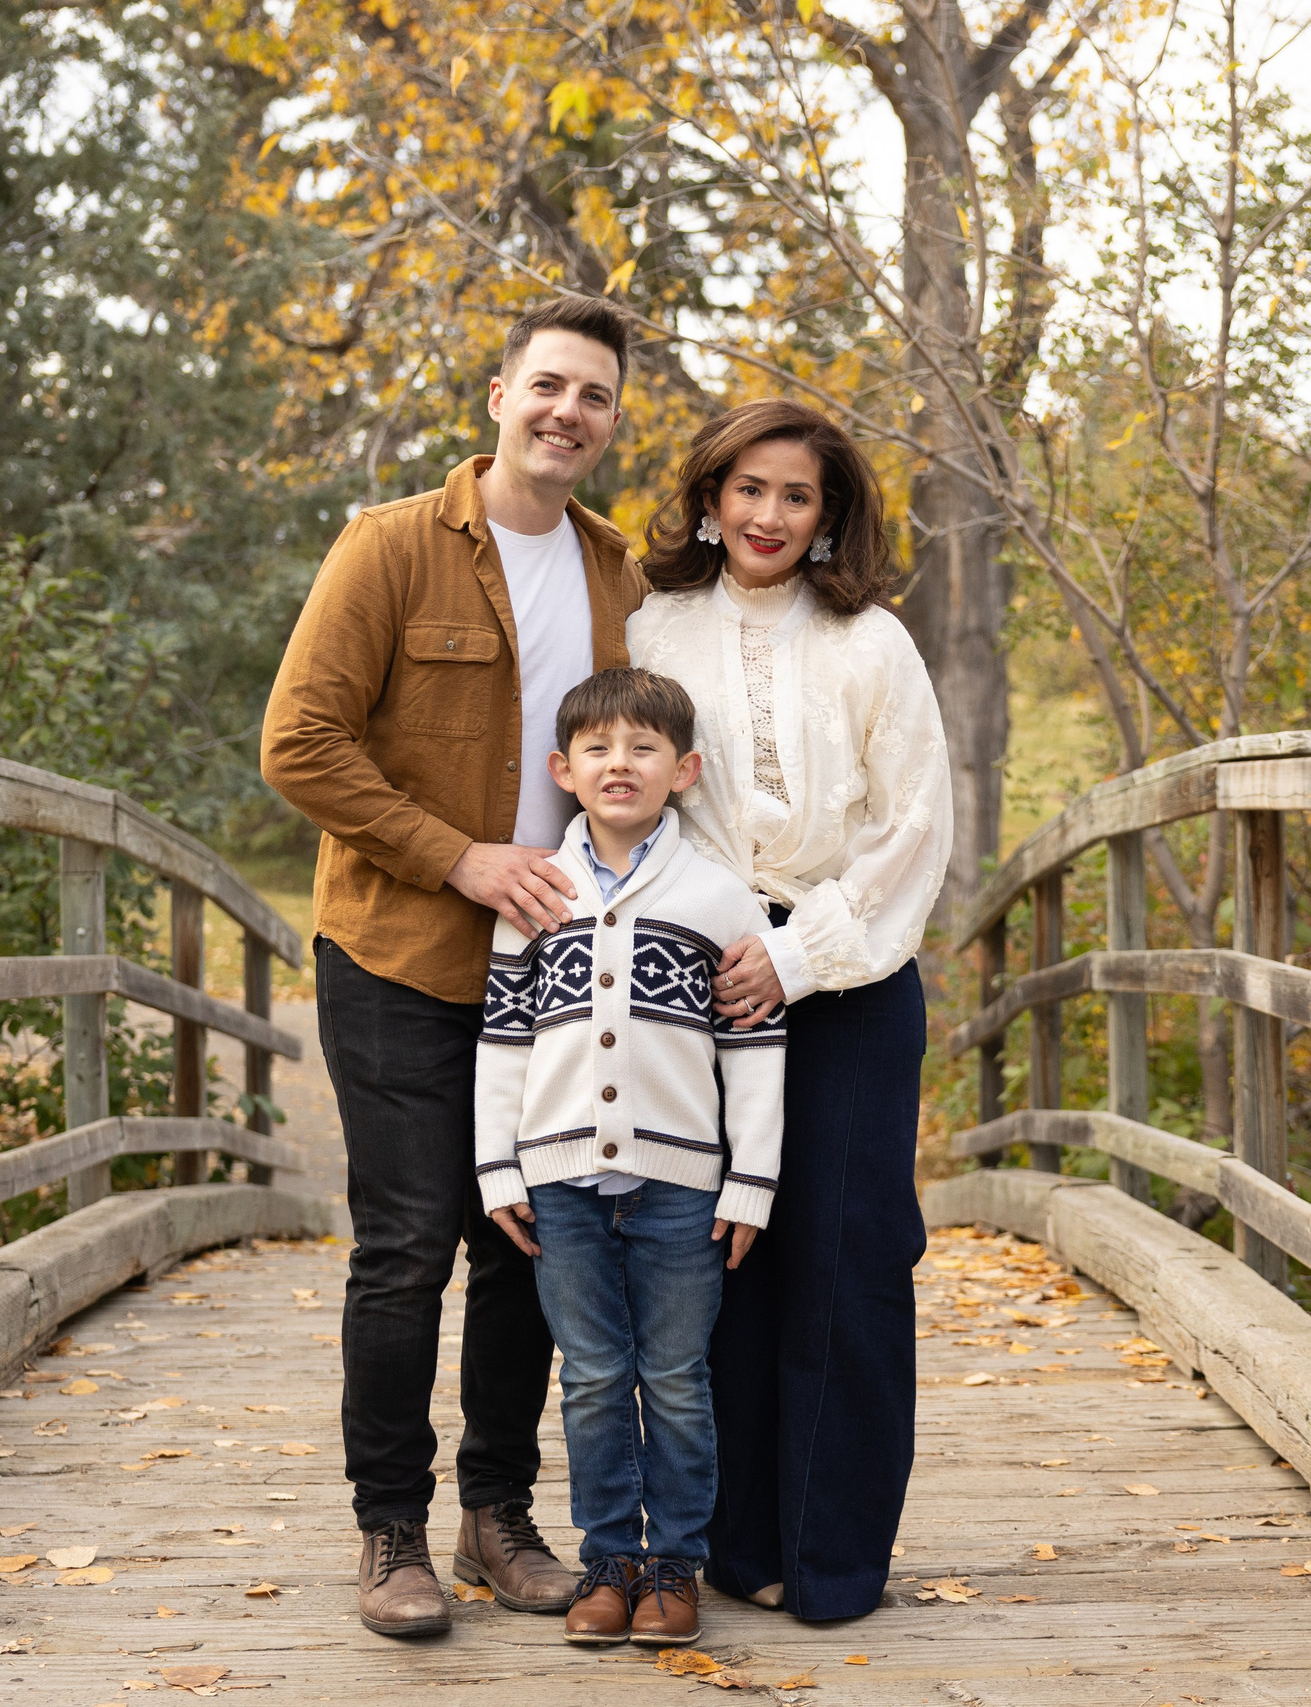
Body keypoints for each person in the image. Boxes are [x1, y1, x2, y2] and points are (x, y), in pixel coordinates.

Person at [259, 296, 647, 1639]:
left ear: (610, 420)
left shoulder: (617, 575)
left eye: (594, 396)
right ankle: (389, 1529)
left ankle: (496, 1513)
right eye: (548, 386)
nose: (567, 413)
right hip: (400, 953)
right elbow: (299, 745)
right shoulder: (389, 549)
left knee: (526, 1245)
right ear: (498, 394)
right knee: (410, 1242)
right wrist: (461, 857)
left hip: (554, 975)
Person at [624, 399, 952, 1622]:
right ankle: (735, 1542)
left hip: (849, 978)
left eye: (795, 496)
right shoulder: (652, 625)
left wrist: (799, 955)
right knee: (723, 1259)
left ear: (827, 517)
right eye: (747, 489)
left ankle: (833, 1559)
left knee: (850, 1257)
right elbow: (624, 779)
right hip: (693, 980)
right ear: (709, 498)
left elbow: (913, 826)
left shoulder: (873, 641)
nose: (767, 515)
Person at [473, 667, 785, 1650]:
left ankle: (674, 1570)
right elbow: (504, 1039)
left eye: (644, 748)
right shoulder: (537, 893)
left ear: (683, 770)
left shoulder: (719, 897)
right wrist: (496, 1167)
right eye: (599, 749)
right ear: (563, 770)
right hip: (560, 1181)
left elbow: (753, 1045)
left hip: (684, 1187)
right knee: (596, 1376)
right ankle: (608, 1563)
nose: (622, 764)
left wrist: (750, 1181)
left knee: (679, 1377)